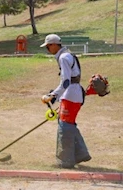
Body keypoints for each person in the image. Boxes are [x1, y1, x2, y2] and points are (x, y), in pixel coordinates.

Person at [40, 34, 94, 168]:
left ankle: (66, 161)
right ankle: (80, 154)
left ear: (53, 45)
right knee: (67, 124)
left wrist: (52, 95)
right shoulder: (67, 55)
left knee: (65, 127)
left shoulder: (64, 57)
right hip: (72, 94)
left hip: (71, 95)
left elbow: (66, 81)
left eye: (47, 47)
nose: (47, 49)